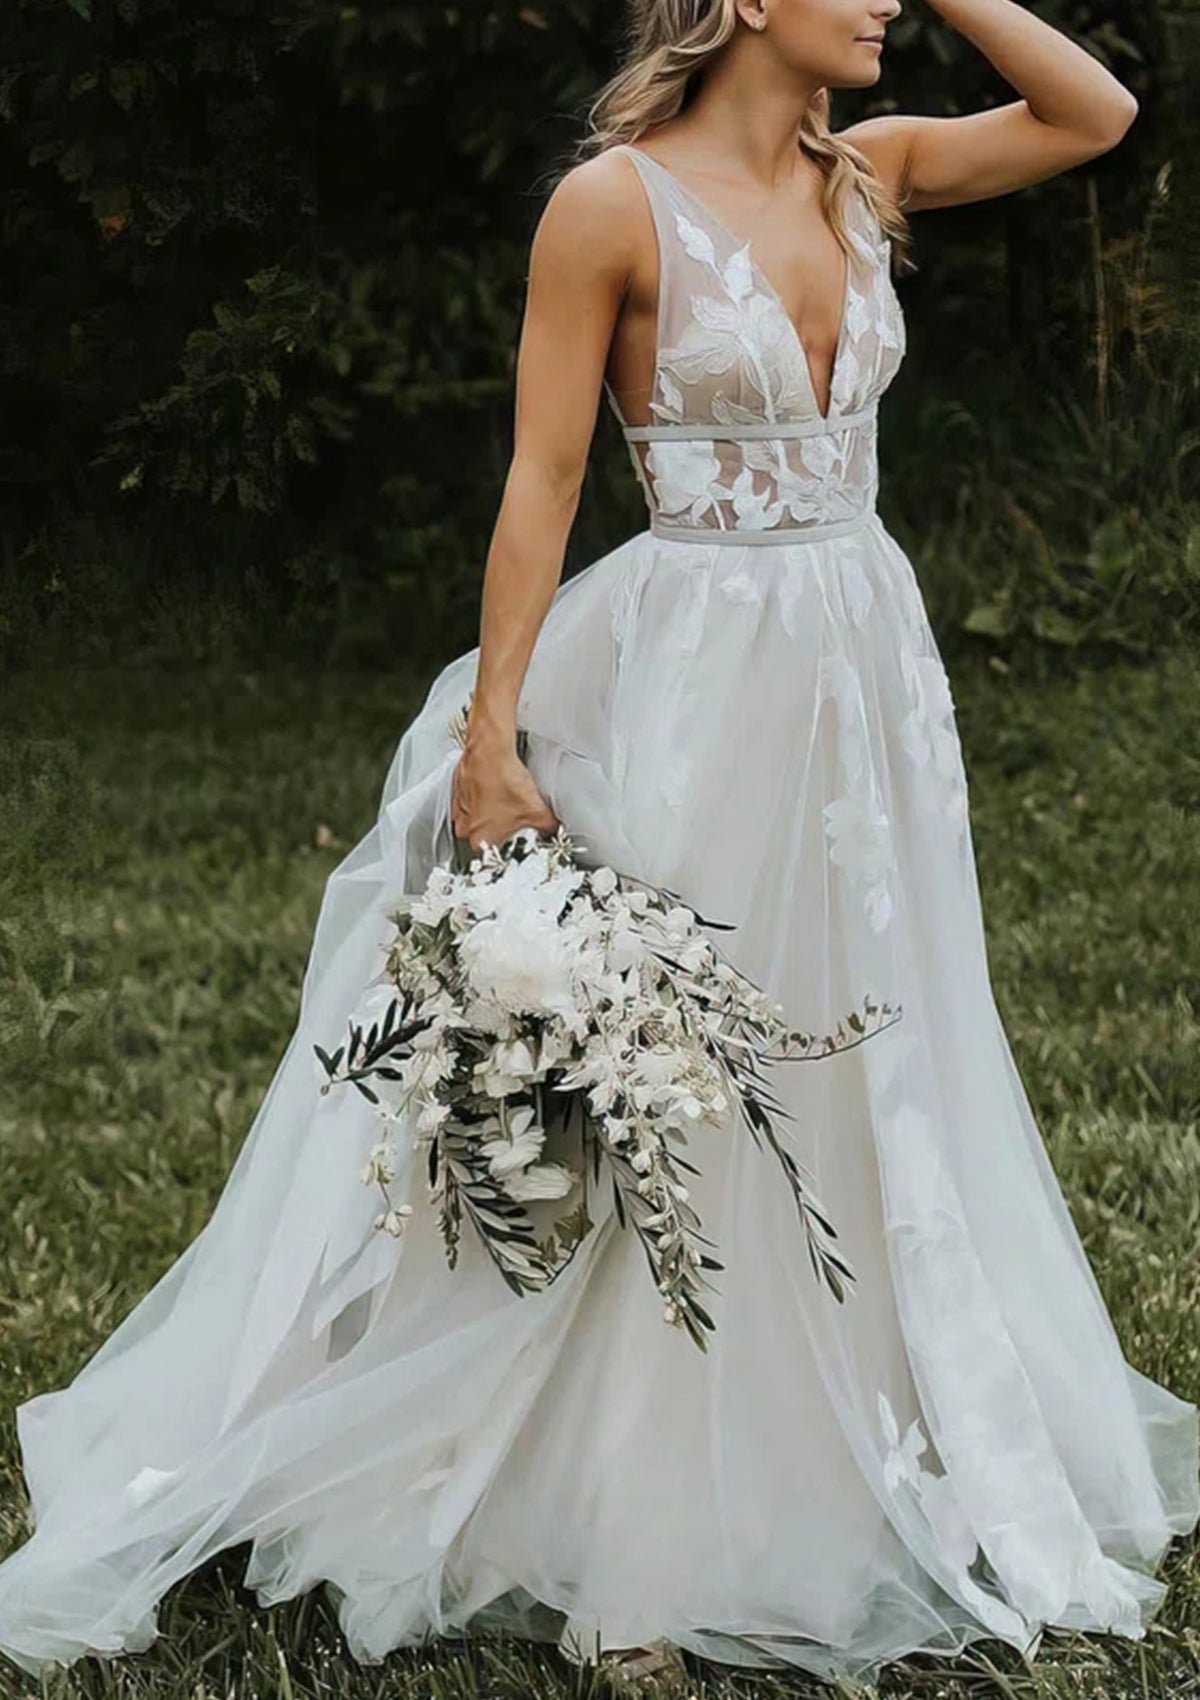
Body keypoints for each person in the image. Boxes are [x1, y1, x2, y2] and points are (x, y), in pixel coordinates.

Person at [1, 0, 1196, 1691]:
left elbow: (1094, 114)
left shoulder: (870, 173)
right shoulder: (610, 205)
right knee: (674, 1070)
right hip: (693, 675)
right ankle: (639, 1516)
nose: (882, 6)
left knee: (870, 1036)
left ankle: (868, 1417)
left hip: (860, 667)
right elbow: (544, 481)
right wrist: (492, 740)